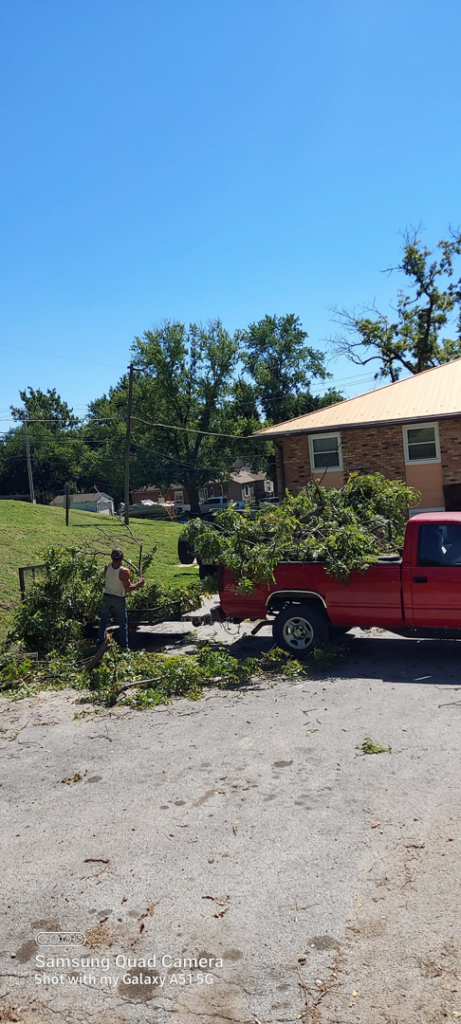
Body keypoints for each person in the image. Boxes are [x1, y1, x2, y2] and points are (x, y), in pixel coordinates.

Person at [97, 548, 145, 649]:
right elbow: (128, 589)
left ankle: (100, 645)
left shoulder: (107, 566)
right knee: (123, 624)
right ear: (122, 558)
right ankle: (124, 647)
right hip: (118, 598)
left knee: (103, 622)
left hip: (107, 596)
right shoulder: (124, 571)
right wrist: (139, 583)